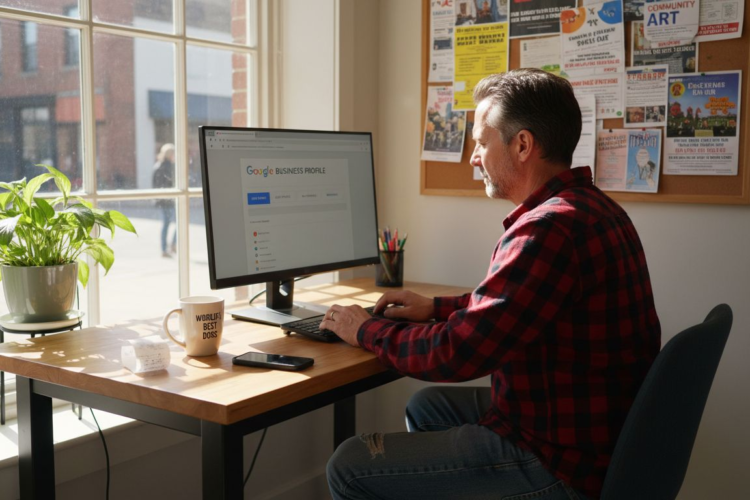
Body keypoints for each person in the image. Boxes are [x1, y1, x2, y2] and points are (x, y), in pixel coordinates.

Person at [322, 69, 661, 500]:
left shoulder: (548, 229)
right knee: (427, 407)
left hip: (561, 462)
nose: (473, 157)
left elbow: (457, 355)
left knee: (350, 466)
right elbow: (520, 306)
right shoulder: (591, 208)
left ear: (522, 145)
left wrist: (363, 329)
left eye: (482, 142)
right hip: (586, 428)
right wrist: (435, 307)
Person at [152, 143, 177, 258]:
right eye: (173, 153)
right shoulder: (166, 167)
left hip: (166, 200)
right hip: (167, 200)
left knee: (170, 223)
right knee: (170, 224)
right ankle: (167, 247)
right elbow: (163, 184)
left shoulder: (159, 166)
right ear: (169, 154)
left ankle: (170, 246)